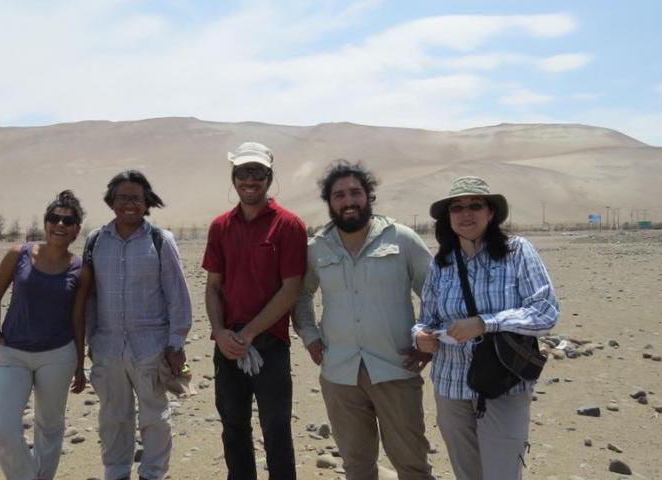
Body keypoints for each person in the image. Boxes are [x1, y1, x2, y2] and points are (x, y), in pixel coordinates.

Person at [293, 160, 435, 480]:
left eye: (355, 192)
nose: (348, 201)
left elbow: (436, 292)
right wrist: (310, 336)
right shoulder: (317, 248)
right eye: (339, 195)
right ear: (329, 202)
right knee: (356, 465)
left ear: (369, 196)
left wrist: (429, 341)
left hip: (395, 368)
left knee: (412, 464)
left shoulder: (402, 239)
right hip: (339, 373)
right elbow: (301, 295)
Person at [413, 176, 559, 480]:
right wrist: (420, 336)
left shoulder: (517, 252)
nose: (466, 213)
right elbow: (426, 319)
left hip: (503, 383)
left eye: (475, 205)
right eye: (457, 207)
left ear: (490, 213)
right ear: (448, 217)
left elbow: (545, 311)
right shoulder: (441, 265)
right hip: (450, 384)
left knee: (502, 474)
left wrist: (486, 323)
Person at [75, 170, 192, 480]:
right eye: (123, 197)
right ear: (111, 202)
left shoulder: (160, 240)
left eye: (136, 198)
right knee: (113, 417)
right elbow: (89, 297)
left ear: (146, 203)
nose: (129, 204)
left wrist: (176, 343)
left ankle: (152, 473)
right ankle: (116, 472)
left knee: (155, 417)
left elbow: (177, 294)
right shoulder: (96, 240)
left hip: (151, 348)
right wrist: (91, 340)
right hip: (108, 347)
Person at [202, 141, 308, 480]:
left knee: (276, 429)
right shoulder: (220, 226)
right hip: (228, 343)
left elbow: (290, 289)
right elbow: (213, 285)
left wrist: (250, 334)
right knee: (233, 428)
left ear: (269, 176)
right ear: (233, 177)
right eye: (243, 172)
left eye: (258, 172)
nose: (250, 180)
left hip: (269, 345)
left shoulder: (288, 225)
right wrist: (220, 333)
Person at [0, 190, 87, 480]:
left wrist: (80, 363)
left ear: (77, 229)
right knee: (3, 428)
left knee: (50, 426)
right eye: (54, 218)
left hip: (57, 355)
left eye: (68, 221)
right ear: (45, 223)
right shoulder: (19, 255)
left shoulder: (81, 269)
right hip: (13, 353)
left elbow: (78, 318)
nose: (60, 224)